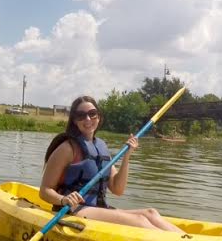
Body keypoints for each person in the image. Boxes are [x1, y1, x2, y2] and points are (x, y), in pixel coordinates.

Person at [39, 96, 182, 231]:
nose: (87, 119)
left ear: (99, 117)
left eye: (92, 113)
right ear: (75, 120)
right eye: (81, 115)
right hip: (74, 210)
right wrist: (63, 199)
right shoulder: (67, 148)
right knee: (140, 222)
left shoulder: (101, 147)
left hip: (99, 209)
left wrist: (127, 157)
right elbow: (45, 190)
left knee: (151, 213)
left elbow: (117, 189)